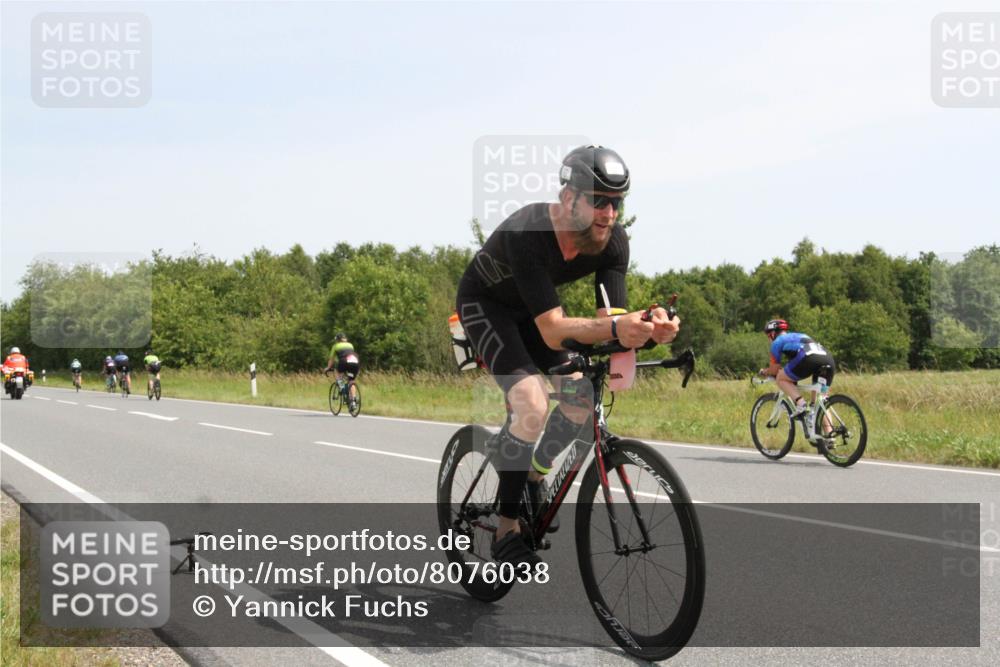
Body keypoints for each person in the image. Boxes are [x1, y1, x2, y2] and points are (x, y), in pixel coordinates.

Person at [455, 145, 679, 567]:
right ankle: (506, 527)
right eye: (599, 200)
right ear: (568, 198)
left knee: (579, 400)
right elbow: (554, 329)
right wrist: (618, 327)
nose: (609, 213)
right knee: (532, 404)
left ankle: (534, 475)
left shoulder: (613, 242)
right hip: (487, 307)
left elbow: (611, 321)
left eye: (616, 202)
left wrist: (649, 332)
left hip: (534, 313)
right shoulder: (531, 232)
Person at [759, 319, 836, 435]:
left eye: (768, 336)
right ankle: (830, 437)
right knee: (821, 402)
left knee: (780, 378)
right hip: (827, 358)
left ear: (773, 334)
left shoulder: (777, 342)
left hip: (808, 357)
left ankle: (801, 404)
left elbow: (775, 369)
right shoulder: (799, 335)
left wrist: (765, 371)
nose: (769, 339)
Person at [324, 333, 360, 404]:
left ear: (337, 340)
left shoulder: (336, 346)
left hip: (344, 361)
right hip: (355, 361)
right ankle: (353, 400)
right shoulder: (350, 345)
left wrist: (328, 368)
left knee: (336, 371)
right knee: (351, 381)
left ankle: (341, 386)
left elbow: (331, 359)